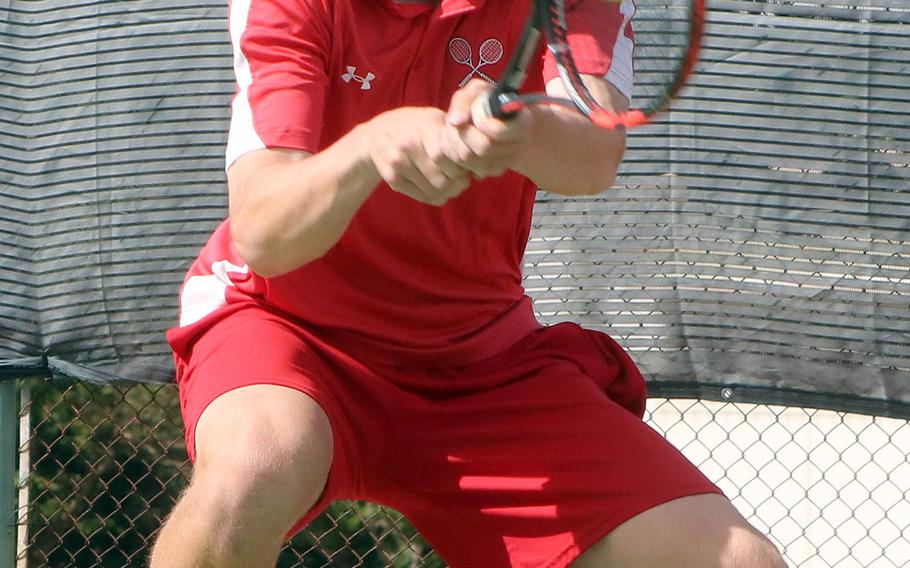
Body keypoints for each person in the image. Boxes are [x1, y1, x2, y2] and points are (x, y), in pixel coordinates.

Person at [149, 0, 788, 566]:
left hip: (483, 361)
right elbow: (265, 232)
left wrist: (519, 130)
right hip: (286, 330)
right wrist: (372, 146)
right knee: (248, 476)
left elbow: (593, 157)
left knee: (739, 560)